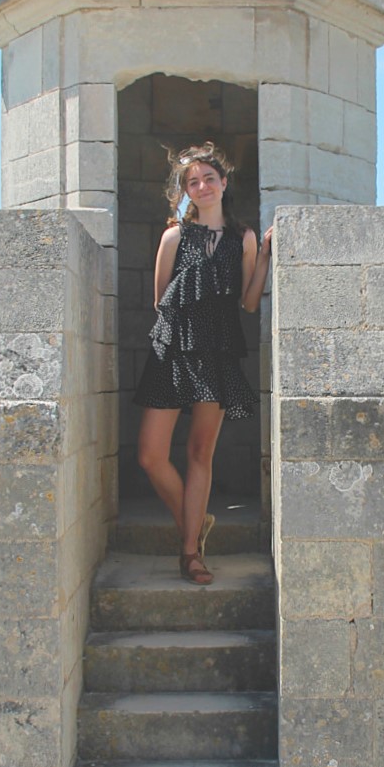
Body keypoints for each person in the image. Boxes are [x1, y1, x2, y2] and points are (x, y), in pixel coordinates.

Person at [134, 143, 273, 584]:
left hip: (218, 350)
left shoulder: (244, 239)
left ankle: (190, 552)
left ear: (223, 183)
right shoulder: (173, 237)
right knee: (151, 455)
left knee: (199, 453)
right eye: (192, 181)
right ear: (186, 191)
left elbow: (248, 304)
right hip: (173, 347)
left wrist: (264, 258)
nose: (201, 186)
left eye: (208, 178)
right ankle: (195, 522)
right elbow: (160, 300)